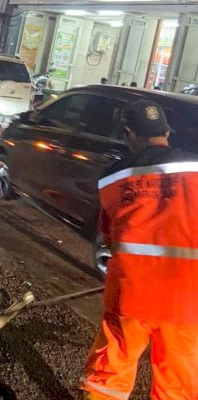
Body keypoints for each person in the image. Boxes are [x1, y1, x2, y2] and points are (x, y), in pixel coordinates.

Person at [80, 99, 198, 399]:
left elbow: (108, 236)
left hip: (131, 294)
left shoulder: (112, 178)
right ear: (166, 133)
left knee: (110, 374)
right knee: (178, 385)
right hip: (186, 299)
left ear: (129, 133)